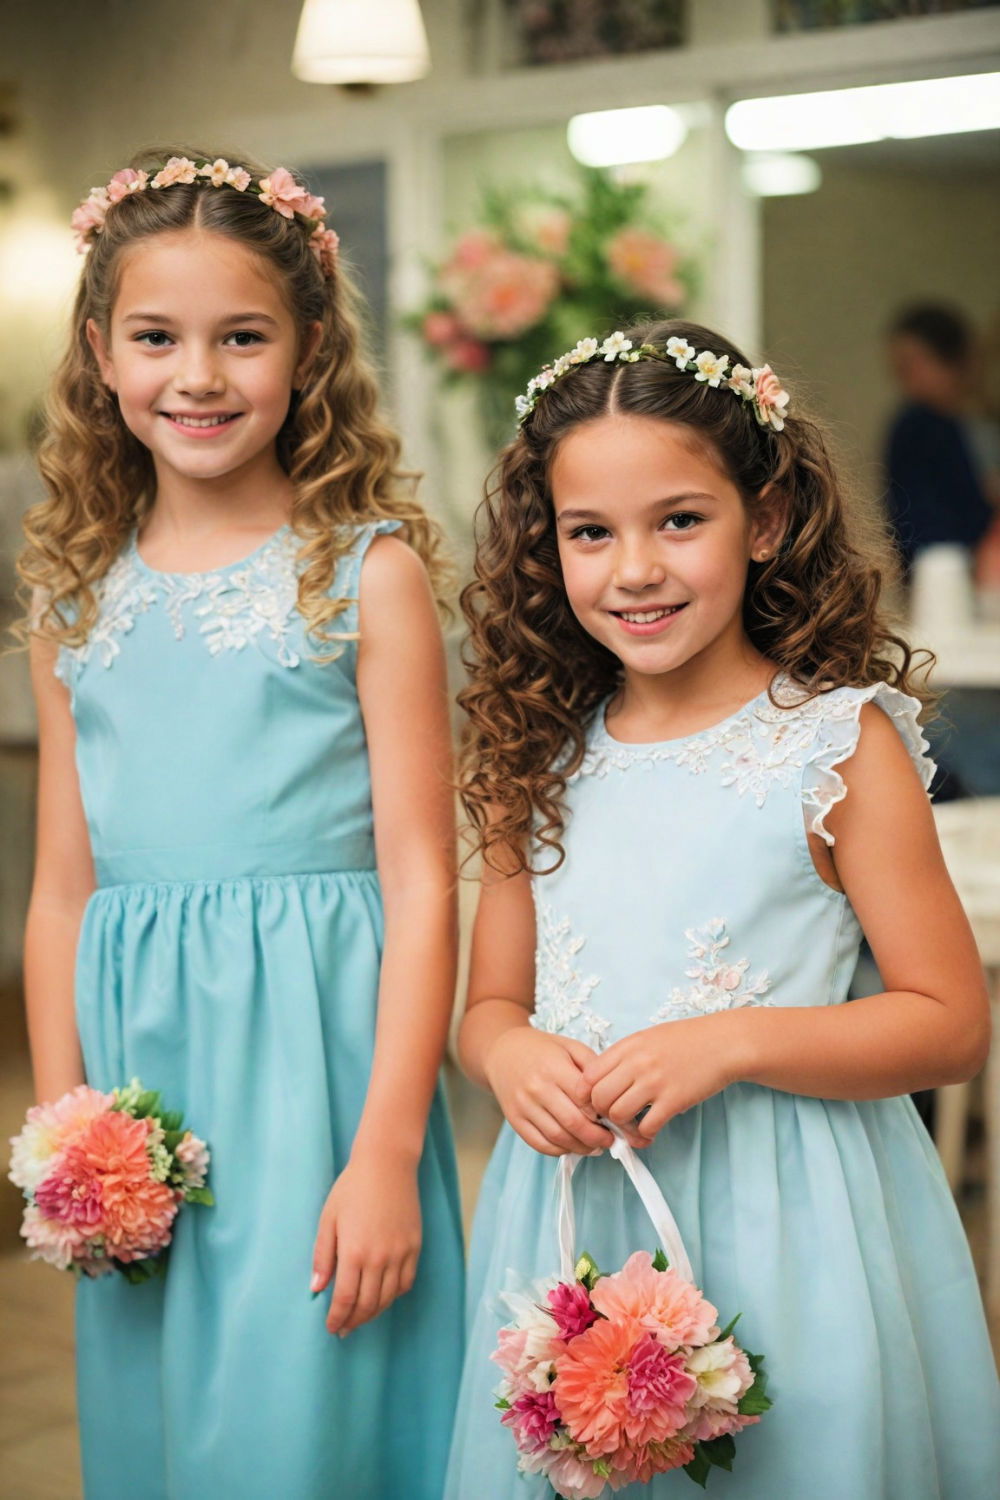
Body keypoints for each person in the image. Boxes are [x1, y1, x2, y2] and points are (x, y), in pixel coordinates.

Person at [446, 319, 999, 1498]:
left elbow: (949, 1022)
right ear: (549, 547)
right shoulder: (531, 754)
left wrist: (735, 1039)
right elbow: (487, 1004)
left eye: (678, 521)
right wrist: (508, 1054)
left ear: (769, 519)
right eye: (590, 532)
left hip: (793, 1225)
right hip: (575, 1222)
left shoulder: (833, 748)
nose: (633, 568)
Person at [18, 148, 463, 1499]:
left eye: (243, 337)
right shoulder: (73, 601)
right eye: (158, 336)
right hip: (144, 1076)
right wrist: (68, 1130)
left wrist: (384, 1150)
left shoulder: (363, 577)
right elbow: (59, 888)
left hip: (316, 1075)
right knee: (165, 1432)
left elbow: (425, 879)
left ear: (309, 348)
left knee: (302, 1422)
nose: (197, 375)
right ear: (101, 352)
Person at [885, 302, 998, 576]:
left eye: (911, 365)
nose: (902, 376)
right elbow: (916, 518)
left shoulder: (974, 424)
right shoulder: (916, 426)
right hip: (945, 570)